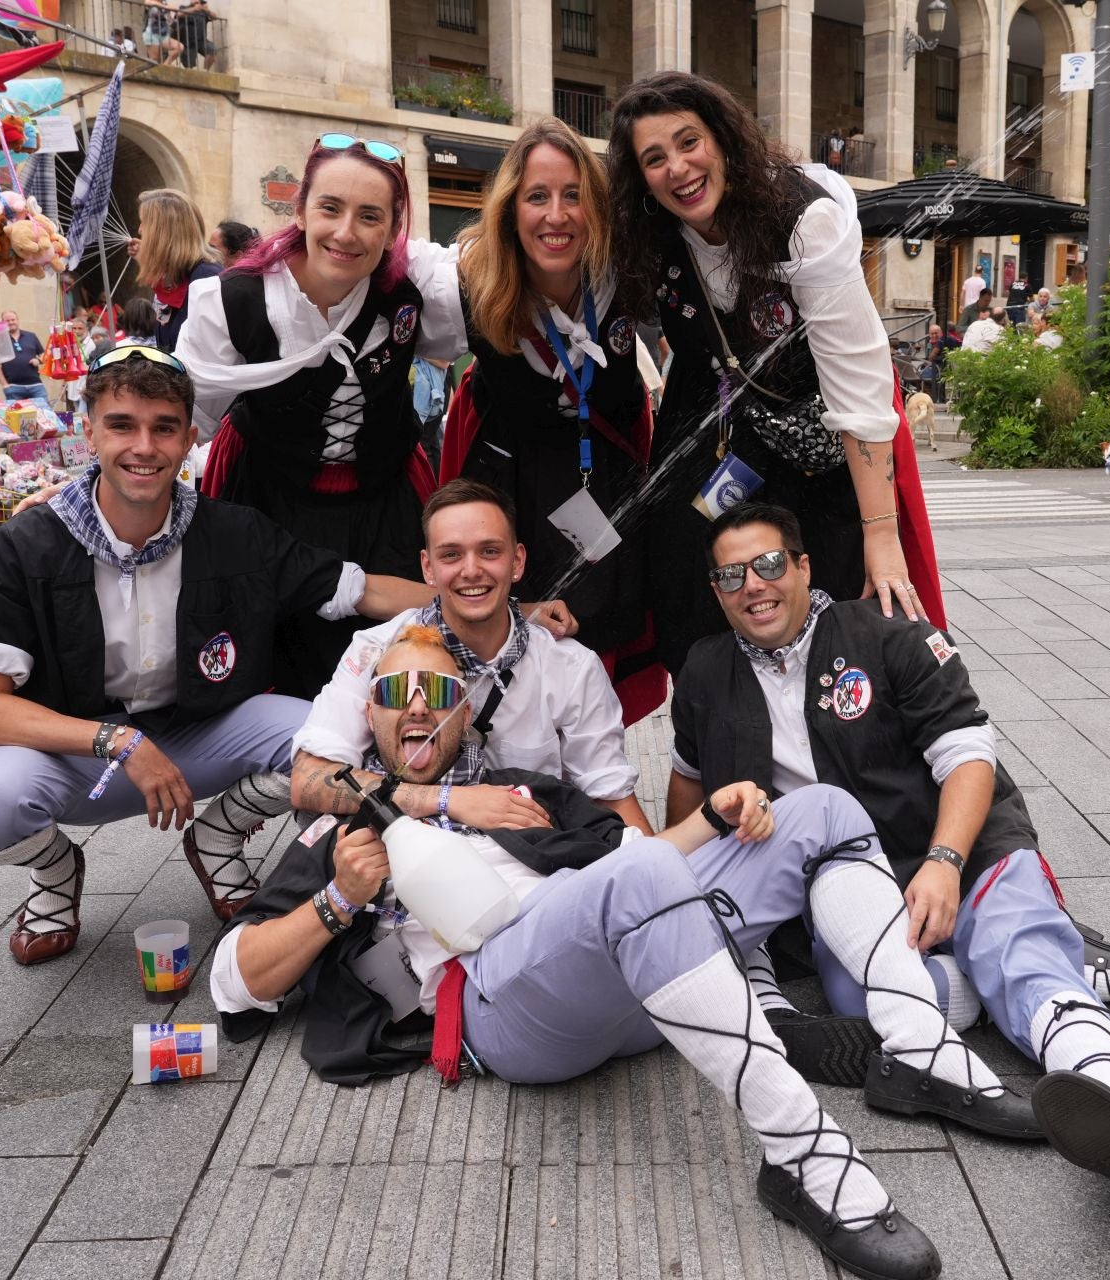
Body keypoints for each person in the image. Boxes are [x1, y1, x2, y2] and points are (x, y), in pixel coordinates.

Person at [214, 625, 964, 1279]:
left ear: (464, 712)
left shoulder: (523, 789)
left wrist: (712, 817)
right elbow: (233, 979)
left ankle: (921, 1049)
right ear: (370, 712)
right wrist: (338, 901)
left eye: (436, 690)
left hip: (641, 970)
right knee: (640, 877)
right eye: (394, 691)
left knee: (823, 810)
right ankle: (805, 1158)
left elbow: (639, 859)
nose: (415, 706)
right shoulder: (342, 836)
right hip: (503, 1005)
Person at [667, 504, 1110, 1236]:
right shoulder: (704, 670)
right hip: (849, 884)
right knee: (860, 999)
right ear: (716, 590)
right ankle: (1064, 957)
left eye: (767, 565)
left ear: (803, 566)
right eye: (731, 576)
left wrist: (946, 863)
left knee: (1016, 951)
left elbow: (970, 760)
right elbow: (689, 793)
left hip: (962, 844)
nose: (753, 586)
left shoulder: (888, 633)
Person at [0, 347, 434, 962]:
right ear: (89, 432)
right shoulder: (29, 544)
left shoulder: (233, 532)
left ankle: (219, 834)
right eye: (122, 425)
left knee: (338, 739)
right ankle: (55, 870)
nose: (143, 447)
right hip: (83, 760)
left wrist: (499, 607)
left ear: (190, 440)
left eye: (164, 428)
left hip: (200, 733)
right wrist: (119, 742)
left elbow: (362, 591)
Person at [606, 71, 945, 678]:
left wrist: (882, 537)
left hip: (814, 449)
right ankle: (717, 729)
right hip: (709, 434)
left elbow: (859, 387)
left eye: (689, 142)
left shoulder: (803, 222)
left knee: (830, 618)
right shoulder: (645, 232)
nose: (678, 168)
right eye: (654, 158)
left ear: (723, 139)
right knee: (690, 600)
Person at [176, 135, 465, 698]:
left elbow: (492, 289)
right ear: (301, 209)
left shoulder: (416, 292)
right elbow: (184, 420)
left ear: (393, 228)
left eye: (370, 216)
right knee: (268, 666)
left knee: (400, 663)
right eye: (330, 208)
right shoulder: (234, 300)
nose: (346, 233)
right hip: (266, 498)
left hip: (384, 500)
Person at [288, 478, 648, 831]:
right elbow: (308, 780)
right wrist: (450, 800)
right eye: (451, 554)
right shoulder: (376, 650)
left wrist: (659, 865)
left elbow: (612, 797)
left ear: (517, 561)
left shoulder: (572, 667)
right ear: (428, 567)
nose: (471, 570)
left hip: (529, 857)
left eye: (489, 551)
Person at [436, 119, 657, 691]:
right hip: (512, 488)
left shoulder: (629, 271)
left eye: (573, 196)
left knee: (605, 641)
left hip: (605, 482)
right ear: (511, 209)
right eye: (537, 196)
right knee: (509, 654)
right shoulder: (465, 283)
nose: (556, 216)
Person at [130, 189, 220, 353]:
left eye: (144, 223)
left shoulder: (207, 279)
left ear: (164, 232)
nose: (140, 230)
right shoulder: (174, 278)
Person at [0, 310, 46, 400]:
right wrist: (4, 385)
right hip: (13, 388)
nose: (11, 322)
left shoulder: (31, 336)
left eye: (13, 320)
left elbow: (45, 355)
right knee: (15, 410)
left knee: (42, 409)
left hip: (36, 386)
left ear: (17, 320)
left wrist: (38, 360)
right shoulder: (0, 340)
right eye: (7, 321)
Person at [410, 354, 447, 473]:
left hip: (431, 399)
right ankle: (437, 481)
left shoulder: (429, 349)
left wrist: (420, 353)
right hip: (430, 397)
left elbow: (445, 362)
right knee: (433, 445)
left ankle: (430, 482)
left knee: (424, 446)